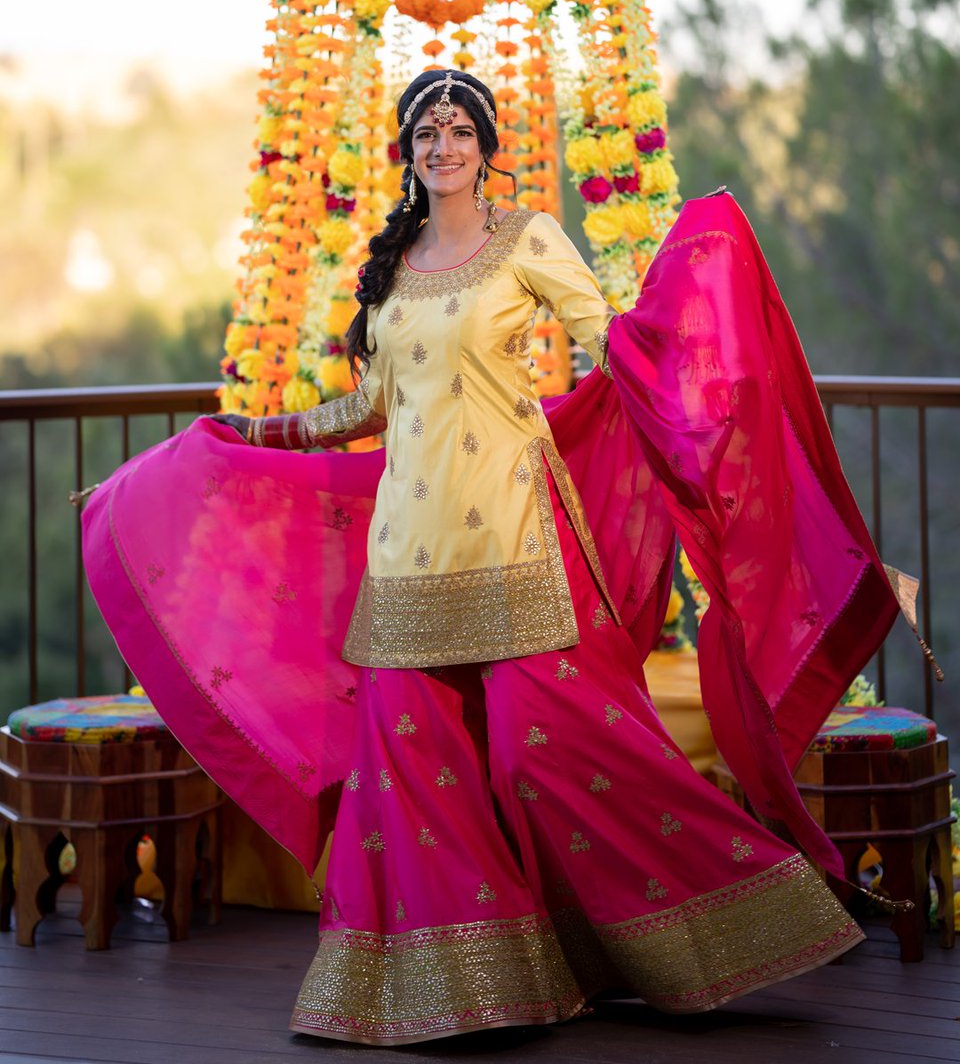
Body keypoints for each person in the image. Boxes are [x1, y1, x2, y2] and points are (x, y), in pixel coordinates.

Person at [83, 70, 900, 1046]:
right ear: (407, 149)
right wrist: (262, 432)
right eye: (425, 130)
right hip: (407, 549)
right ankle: (471, 989)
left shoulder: (527, 241)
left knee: (540, 751)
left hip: (512, 527)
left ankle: (744, 915)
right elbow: (371, 408)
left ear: (485, 143)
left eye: (460, 127)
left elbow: (607, 342)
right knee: (409, 770)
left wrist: (678, 369)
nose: (443, 143)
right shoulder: (390, 269)